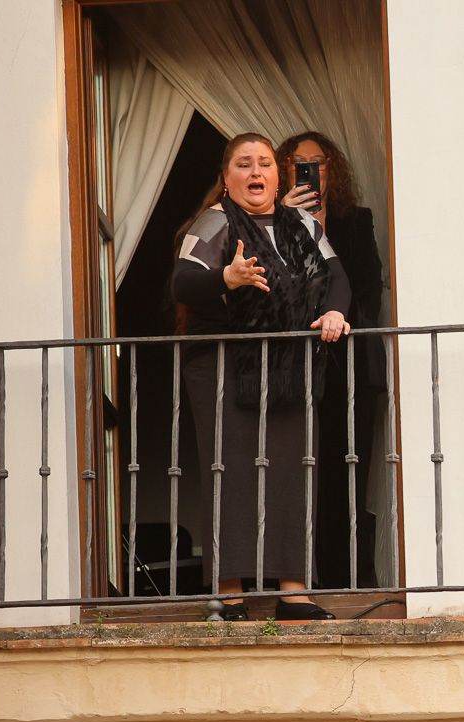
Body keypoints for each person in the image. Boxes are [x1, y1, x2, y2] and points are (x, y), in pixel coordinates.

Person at [172, 131, 351, 621]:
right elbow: (183, 281)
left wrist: (334, 314)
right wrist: (225, 278)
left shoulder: (302, 224)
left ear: (278, 177)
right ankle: (229, 597)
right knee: (230, 475)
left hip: (288, 367)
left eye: (265, 164)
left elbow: (336, 276)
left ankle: (294, 595)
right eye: (244, 164)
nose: (256, 173)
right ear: (227, 181)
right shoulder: (214, 222)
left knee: (294, 473)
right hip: (224, 368)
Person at [277, 130, 386, 591]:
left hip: (349, 368)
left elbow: (366, 285)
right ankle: (300, 581)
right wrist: (285, 218)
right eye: (298, 162)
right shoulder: (272, 222)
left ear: (332, 168)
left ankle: (348, 582)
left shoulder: (354, 220)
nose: (309, 169)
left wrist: (319, 227)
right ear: (284, 169)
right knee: (299, 474)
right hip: (292, 368)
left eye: (316, 162)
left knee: (347, 472)